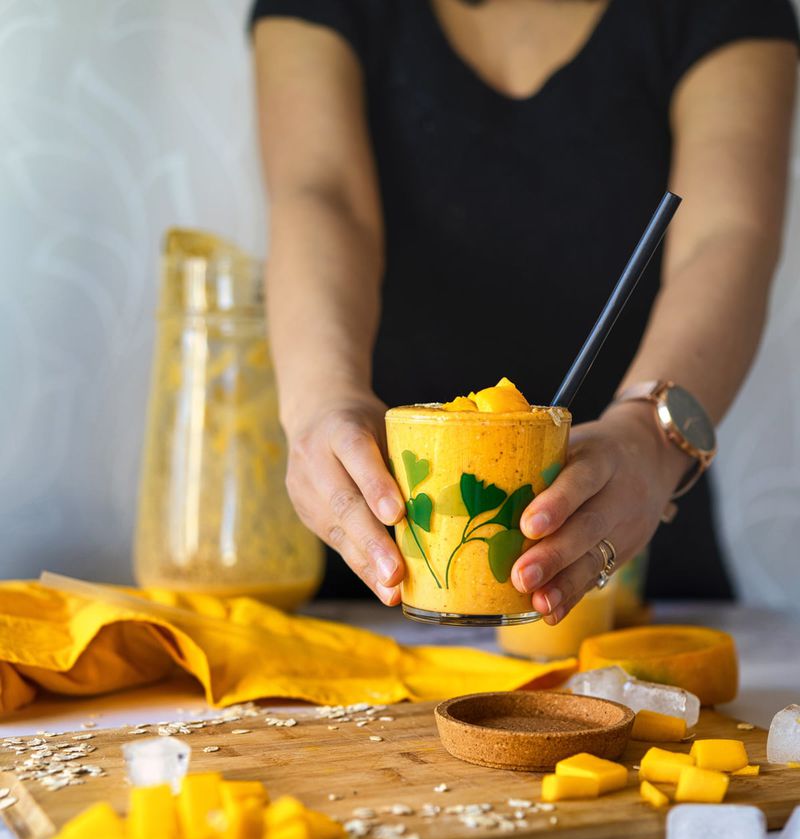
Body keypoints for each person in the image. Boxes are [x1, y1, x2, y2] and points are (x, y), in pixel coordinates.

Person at [249, 0, 798, 624]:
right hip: (384, 548)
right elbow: (323, 197)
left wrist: (650, 432)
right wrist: (319, 400)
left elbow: (725, 233)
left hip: (626, 525)